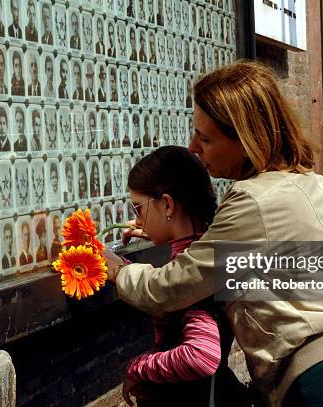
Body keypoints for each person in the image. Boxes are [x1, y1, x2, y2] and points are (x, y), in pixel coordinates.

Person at [105, 62, 323, 407]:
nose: (193, 146)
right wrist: (163, 230)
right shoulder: (314, 184)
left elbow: (170, 289)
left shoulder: (253, 202)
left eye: (206, 138)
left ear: (244, 139)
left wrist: (118, 270)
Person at [117, 146, 246, 407]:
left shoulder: (194, 275)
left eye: (138, 209)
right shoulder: (205, 252)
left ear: (167, 204)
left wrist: (138, 368)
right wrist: (158, 231)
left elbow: (202, 355)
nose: (137, 221)